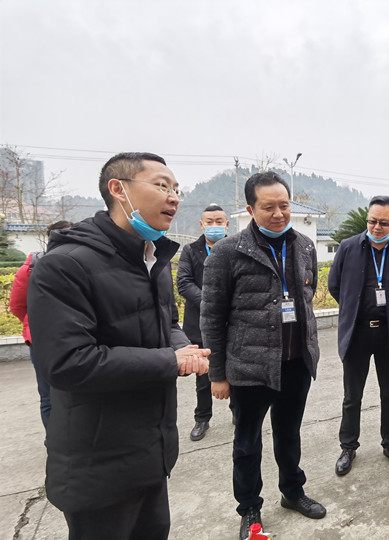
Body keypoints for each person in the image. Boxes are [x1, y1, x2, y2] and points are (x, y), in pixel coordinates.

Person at [26, 152, 210, 540]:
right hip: (98, 466)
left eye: (177, 189)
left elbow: (168, 324)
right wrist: (169, 361)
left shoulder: (153, 259)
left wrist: (185, 350)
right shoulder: (65, 265)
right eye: (161, 185)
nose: (174, 197)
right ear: (118, 189)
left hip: (151, 454)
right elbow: (68, 362)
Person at [201, 171, 326, 540]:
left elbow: (307, 296)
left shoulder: (305, 246)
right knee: (246, 443)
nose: (278, 213)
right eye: (268, 207)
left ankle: (292, 491)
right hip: (249, 367)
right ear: (250, 209)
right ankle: (250, 508)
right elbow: (212, 316)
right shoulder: (227, 252)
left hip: (296, 363)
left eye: (284, 205)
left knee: (289, 434)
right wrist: (217, 374)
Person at [329, 195, 389, 476]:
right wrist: (354, 309)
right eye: (372, 221)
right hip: (357, 333)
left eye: (384, 222)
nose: (377, 227)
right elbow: (335, 286)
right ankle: (348, 447)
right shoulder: (348, 248)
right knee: (352, 396)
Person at [9, 219, 72, 431]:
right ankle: (54, 439)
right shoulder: (32, 267)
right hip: (41, 340)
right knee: (48, 395)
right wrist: (36, 325)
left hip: (73, 335)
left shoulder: (81, 262)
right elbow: (18, 305)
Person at [177, 203, 229, 441]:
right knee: (203, 376)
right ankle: (202, 418)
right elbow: (184, 283)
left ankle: (238, 412)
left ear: (226, 224)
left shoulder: (236, 247)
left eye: (219, 222)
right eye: (210, 222)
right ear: (201, 224)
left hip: (231, 322)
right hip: (199, 324)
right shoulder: (190, 250)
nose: (214, 226)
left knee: (235, 371)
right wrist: (210, 302)